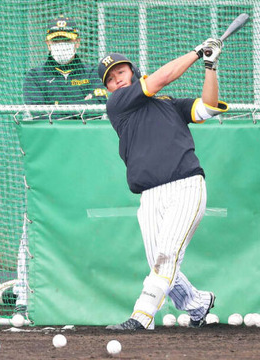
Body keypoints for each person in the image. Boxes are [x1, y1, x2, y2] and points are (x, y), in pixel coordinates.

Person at [97, 38, 228, 330]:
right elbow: (162, 78)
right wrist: (196, 52)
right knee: (160, 261)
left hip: (186, 186)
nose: (117, 80)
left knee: (167, 256)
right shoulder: (118, 104)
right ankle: (199, 304)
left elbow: (208, 107)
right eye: (110, 79)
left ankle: (140, 317)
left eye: (120, 73)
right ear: (107, 89)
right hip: (150, 196)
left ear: (132, 71)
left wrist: (209, 65)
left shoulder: (169, 104)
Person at [13, 15, 108, 316]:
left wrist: (62, 110)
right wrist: (76, 108)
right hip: (49, 165)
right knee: (34, 223)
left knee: (90, 223)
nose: (62, 46)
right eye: (56, 41)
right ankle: (22, 296)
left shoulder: (94, 72)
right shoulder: (35, 76)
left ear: (77, 42)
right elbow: (40, 115)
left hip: (86, 163)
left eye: (67, 41)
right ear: (48, 44)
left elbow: (96, 110)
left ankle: (87, 291)